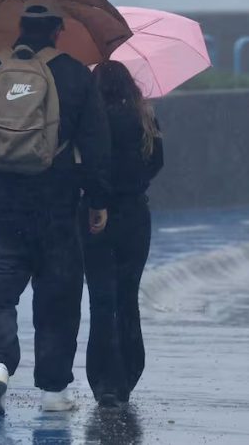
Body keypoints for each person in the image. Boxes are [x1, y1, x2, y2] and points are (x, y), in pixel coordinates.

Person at [0, 0, 111, 415]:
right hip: (55, 209)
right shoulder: (75, 74)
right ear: (58, 31)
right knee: (57, 300)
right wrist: (97, 201)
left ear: (18, 28)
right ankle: (54, 391)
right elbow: (96, 145)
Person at [82, 61, 163, 408]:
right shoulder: (143, 119)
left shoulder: (90, 122)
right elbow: (157, 162)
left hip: (94, 217)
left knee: (102, 300)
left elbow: (86, 166)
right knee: (128, 297)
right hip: (134, 215)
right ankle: (128, 373)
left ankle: (103, 381)